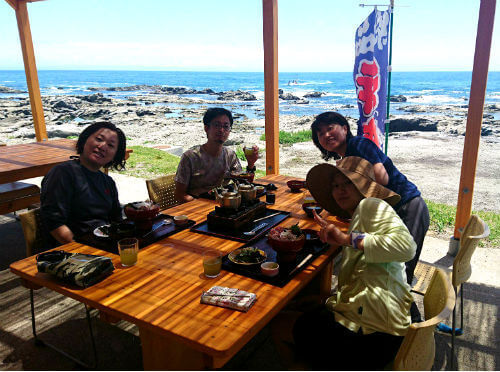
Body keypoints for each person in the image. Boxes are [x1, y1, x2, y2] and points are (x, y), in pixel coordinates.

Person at [272, 156, 416, 370]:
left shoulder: (371, 205)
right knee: (308, 307)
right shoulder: (360, 214)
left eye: (348, 183)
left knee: (278, 324)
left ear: (364, 186)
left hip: (375, 335)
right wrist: (328, 298)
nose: (340, 190)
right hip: (388, 321)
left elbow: (407, 248)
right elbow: (364, 274)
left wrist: (346, 239)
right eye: (336, 186)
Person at [310, 111, 429, 290]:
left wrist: (359, 210)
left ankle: (411, 315)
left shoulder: (358, 143)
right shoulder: (345, 158)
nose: (326, 135)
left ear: (344, 128)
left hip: (407, 205)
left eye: (330, 128)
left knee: (401, 270)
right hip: (390, 209)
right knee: (385, 266)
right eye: (320, 133)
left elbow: (382, 179)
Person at [41, 122, 126, 246]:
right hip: (73, 251)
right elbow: (55, 223)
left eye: (111, 145)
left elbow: (116, 219)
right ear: (85, 139)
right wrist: (81, 250)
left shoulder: (107, 182)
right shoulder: (63, 173)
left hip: (104, 244)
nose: (102, 146)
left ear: (114, 156)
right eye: (99, 139)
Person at [175, 107, 259, 202]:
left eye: (226, 126)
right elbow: (180, 195)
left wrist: (251, 164)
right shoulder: (190, 157)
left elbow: (242, 185)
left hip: (224, 204)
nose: (221, 130)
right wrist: (202, 205)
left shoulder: (229, 155)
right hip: (198, 205)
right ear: (206, 128)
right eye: (217, 125)